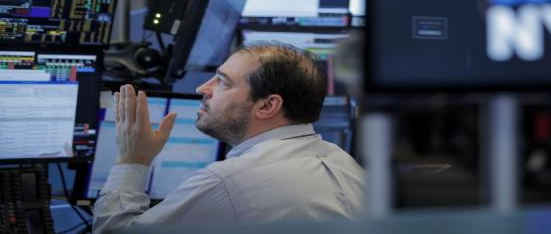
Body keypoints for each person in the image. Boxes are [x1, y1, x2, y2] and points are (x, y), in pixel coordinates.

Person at [93, 42, 365, 233]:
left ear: (267, 106)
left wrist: (133, 160)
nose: (202, 88)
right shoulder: (343, 162)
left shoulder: (229, 181)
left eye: (223, 82)